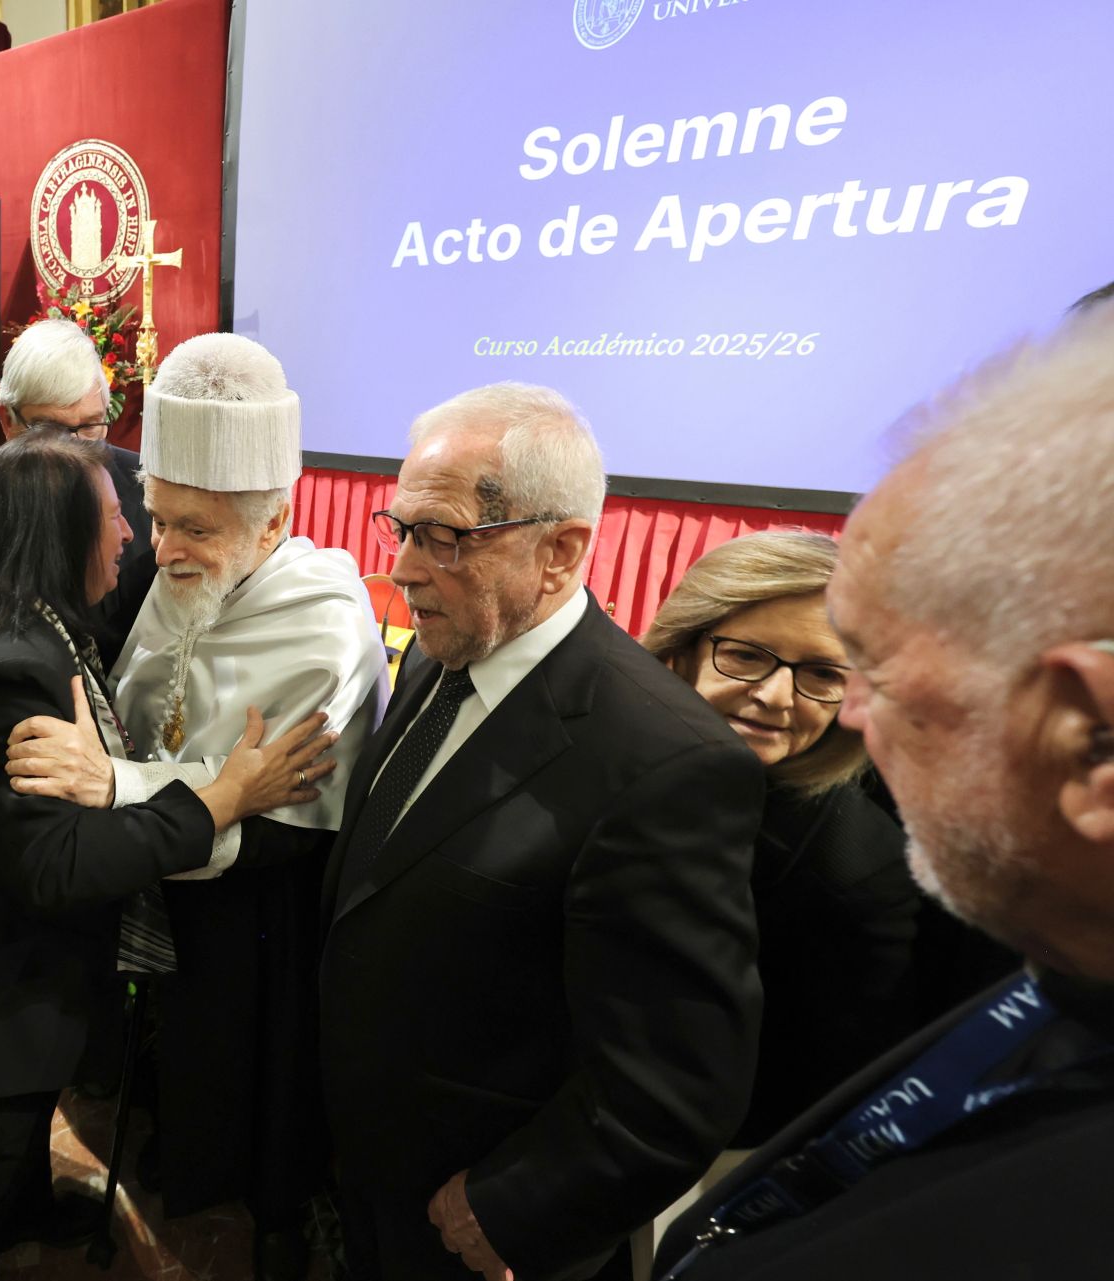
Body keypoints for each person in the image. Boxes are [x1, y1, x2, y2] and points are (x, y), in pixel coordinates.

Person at [652, 305, 1114, 1280]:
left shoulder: (869, 872)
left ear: (1087, 732)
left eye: (864, 667)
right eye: (746, 656)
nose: (845, 713)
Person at [319, 383, 765, 1281]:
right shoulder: (447, 651)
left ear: (560, 551)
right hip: (368, 1171)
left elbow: (673, 1086)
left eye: (442, 536)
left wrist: (516, 1203)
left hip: (472, 1224)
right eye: (400, 528)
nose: (402, 569)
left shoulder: (666, 762)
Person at [0, 429, 338, 1281]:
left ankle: (28, 1207)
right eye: (118, 517)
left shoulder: (8, 620)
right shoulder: (7, 667)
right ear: (53, 534)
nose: (135, 537)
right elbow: (56, 867)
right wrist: (223, 798)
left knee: (12, 1147)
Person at [6, 332, 388, 1279]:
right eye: (157, 516)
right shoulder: (174, 573)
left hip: (257, 906)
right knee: (173, 1055)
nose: (165, 549)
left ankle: (273, 1207)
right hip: (156, 864)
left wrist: (116, 785)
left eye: (197, 530)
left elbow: (284, 817)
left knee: (256, 1073)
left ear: (273, 521)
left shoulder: (324, 625)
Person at [641, 531, 924, 1143]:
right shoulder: (613, 766)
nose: (774, 696)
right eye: (746, 656)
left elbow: (812, 1090)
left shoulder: (855, 876)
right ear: (680, 650)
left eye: (821, 673)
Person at [0, 317, 154, 666]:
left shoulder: (147, 487)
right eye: (51, 430)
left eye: (90, 426)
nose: (74, 449)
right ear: (7, 420)